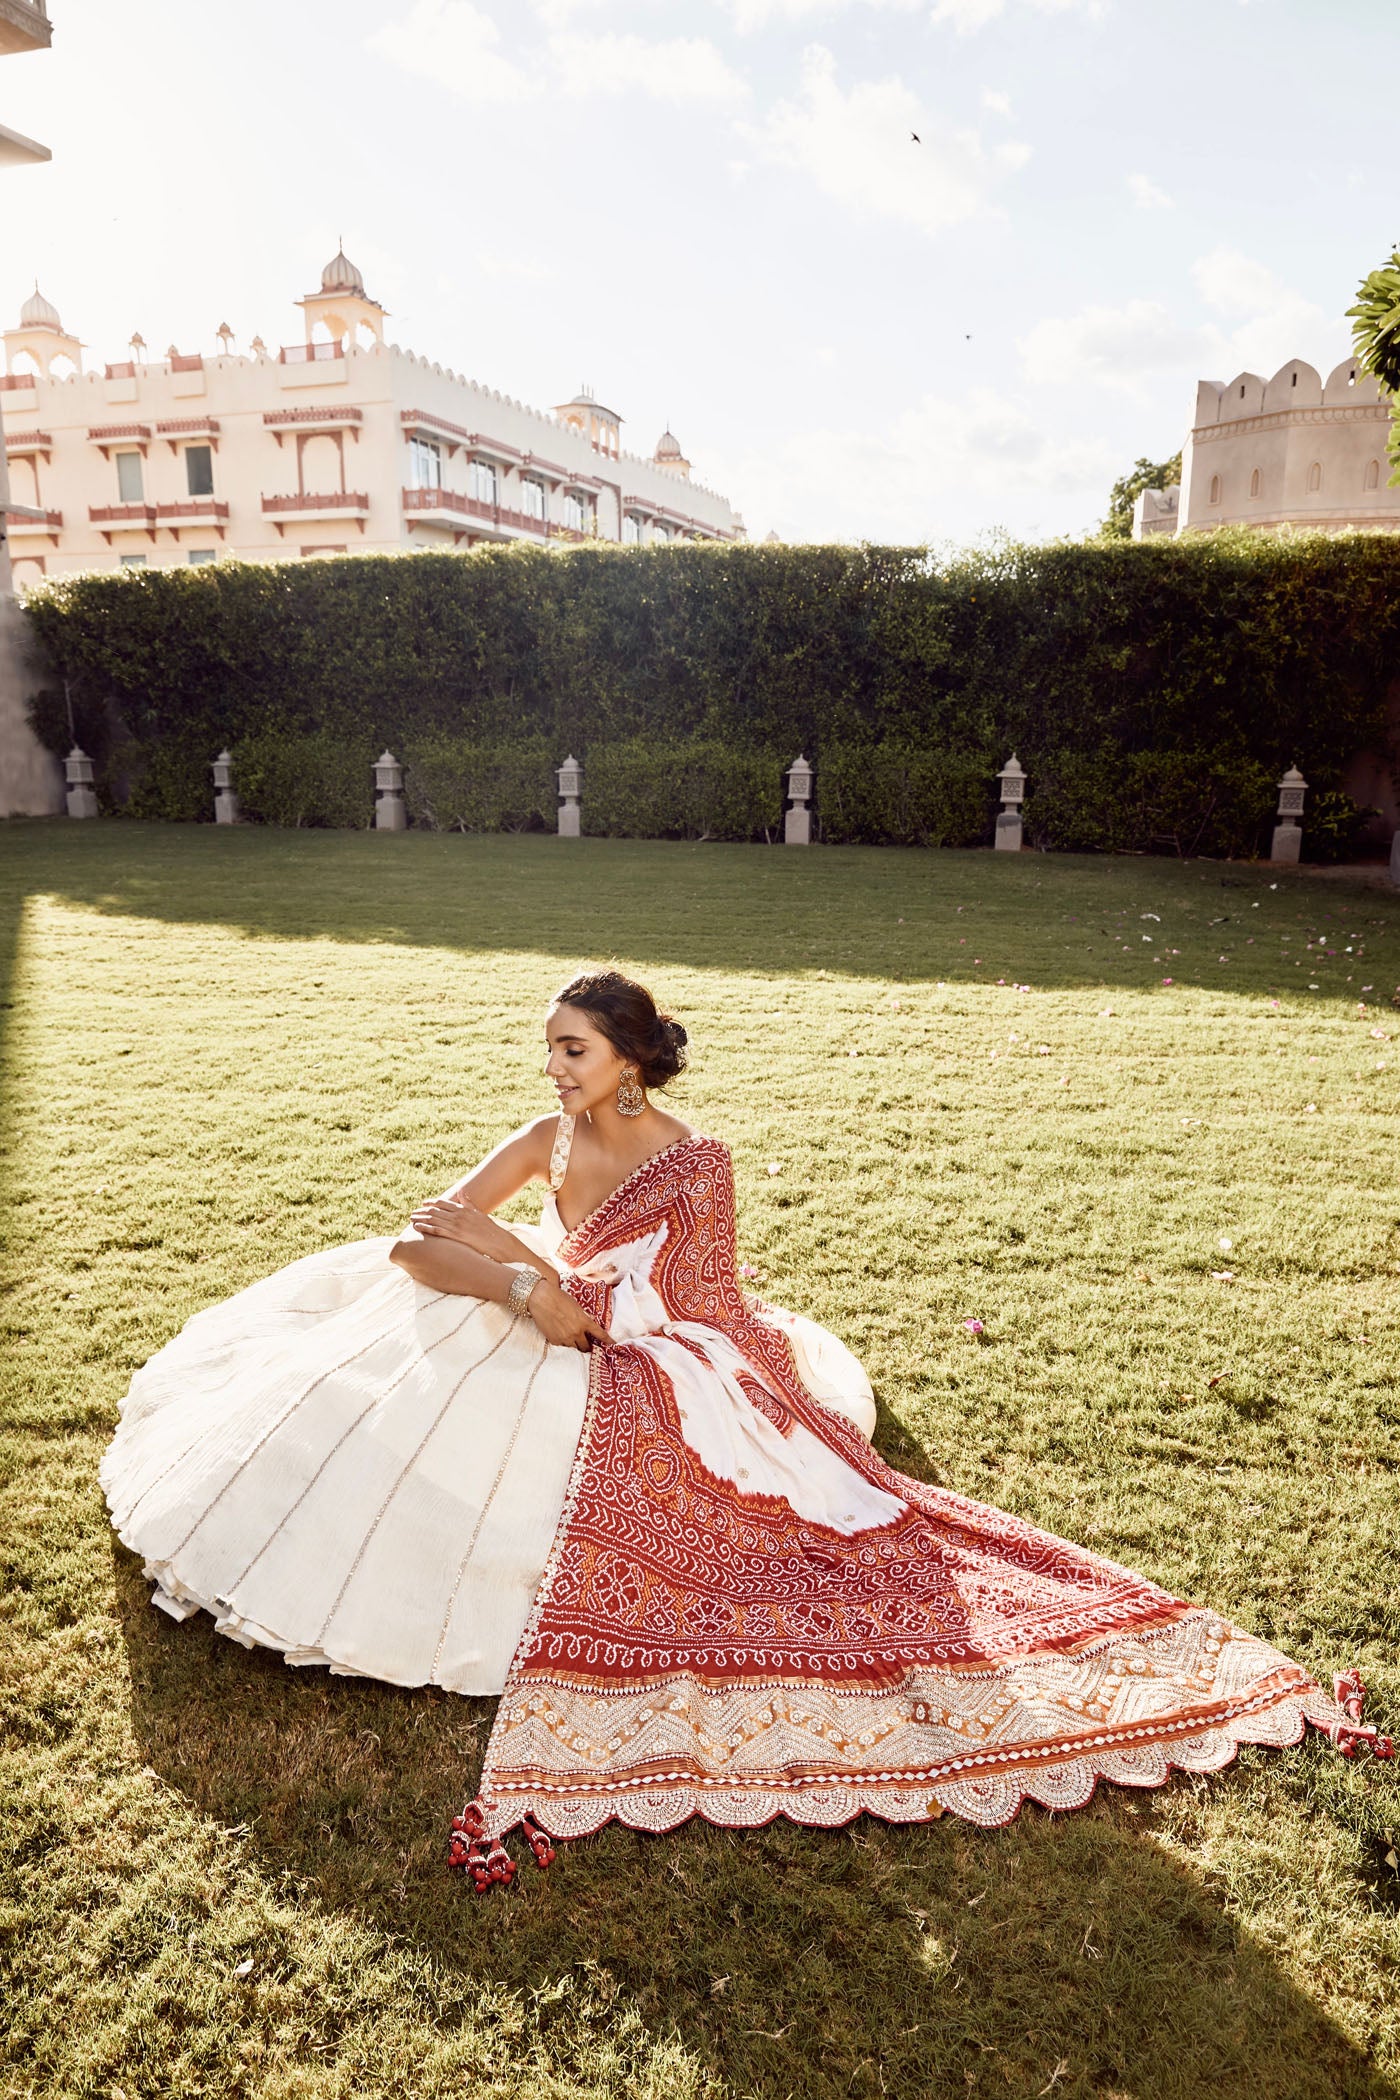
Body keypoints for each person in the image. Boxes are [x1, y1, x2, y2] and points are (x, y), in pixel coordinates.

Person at [102, 969, 1381, 1888]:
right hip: (542, 1309)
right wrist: (519, 1281)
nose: (555, 1072)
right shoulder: (543, 1135)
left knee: (730, 1492)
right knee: (385, 1359)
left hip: (649, 1340)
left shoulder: (693, 1162)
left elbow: (703, 1306)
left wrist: (563, 1295)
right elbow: (415, 1239)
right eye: (549, 1050)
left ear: (631, 1060)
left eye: (574, 1052)